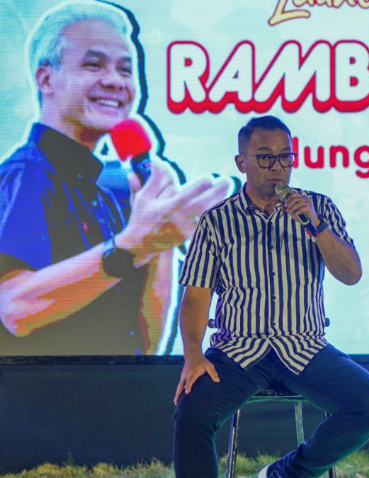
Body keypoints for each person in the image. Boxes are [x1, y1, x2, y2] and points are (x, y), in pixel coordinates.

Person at [0, 1, 227, 355]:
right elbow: (15, 309)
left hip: (120, 386)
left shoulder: (116, 188)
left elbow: (147, 342)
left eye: (125, 69)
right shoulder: (27, 175)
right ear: (45, 78)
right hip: (43, 390)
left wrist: (162, 242)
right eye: (93, 65)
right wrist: (134, 246)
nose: (115, 81)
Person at [172, 115, 369, 478]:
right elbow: (196, 297)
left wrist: (316, 227)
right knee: (191, 412)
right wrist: (193, 355)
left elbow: (351, 274)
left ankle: (287, 473)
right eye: (265, 157)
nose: (277, 167)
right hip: (238, 350)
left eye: (285, 157)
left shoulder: (319, 209)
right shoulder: (216, 221)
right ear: (241, 162)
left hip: (304, 347)